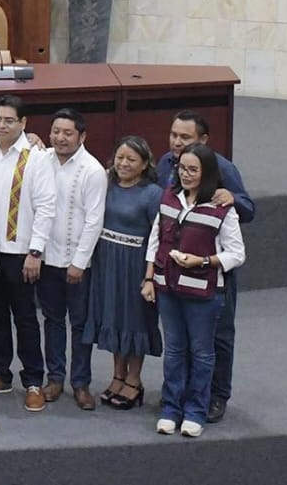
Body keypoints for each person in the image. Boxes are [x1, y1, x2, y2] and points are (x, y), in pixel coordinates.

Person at [154, 111, 255, 424]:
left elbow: (249, 209)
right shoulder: (165, 165)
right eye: (174, 135)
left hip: (214, 268)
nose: (177, 142)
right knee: (179, 338)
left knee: (217, 336)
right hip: (174, 269)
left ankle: (216, 395)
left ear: (203, 141)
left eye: (185, 138)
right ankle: (181, 392)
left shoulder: (222, 168)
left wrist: (232, 198)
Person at [0, 95, 56, 414]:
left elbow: (46, 206)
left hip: (21, 252)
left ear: (23, 123)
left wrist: (36, 251)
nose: (1, 126)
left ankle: (33, 380)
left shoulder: (37, 157)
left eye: (9, 120)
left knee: (26, 319)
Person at [82, 135, 162, 410]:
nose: (124, 163)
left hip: (135, 264)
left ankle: (134, 379)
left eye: (131, 159)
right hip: (107, 262)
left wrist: (150, 275)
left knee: (135, 321)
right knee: (114, 317)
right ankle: (117, 375)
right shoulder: (106, 183)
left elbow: (158, 236)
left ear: (144, 164)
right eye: (120, 158)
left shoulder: (152, 193)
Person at [36, 108, 107, 409]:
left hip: (78, 262)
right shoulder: (40, 160)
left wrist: (79, 261)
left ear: (82, 136)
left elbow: (94, 220)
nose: (60, 138)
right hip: (46, 257)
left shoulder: (93, 170)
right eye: (56, 131)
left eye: (67, 133)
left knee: (79, 324)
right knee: (52, 320)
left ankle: (80, 383)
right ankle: (54, 379)